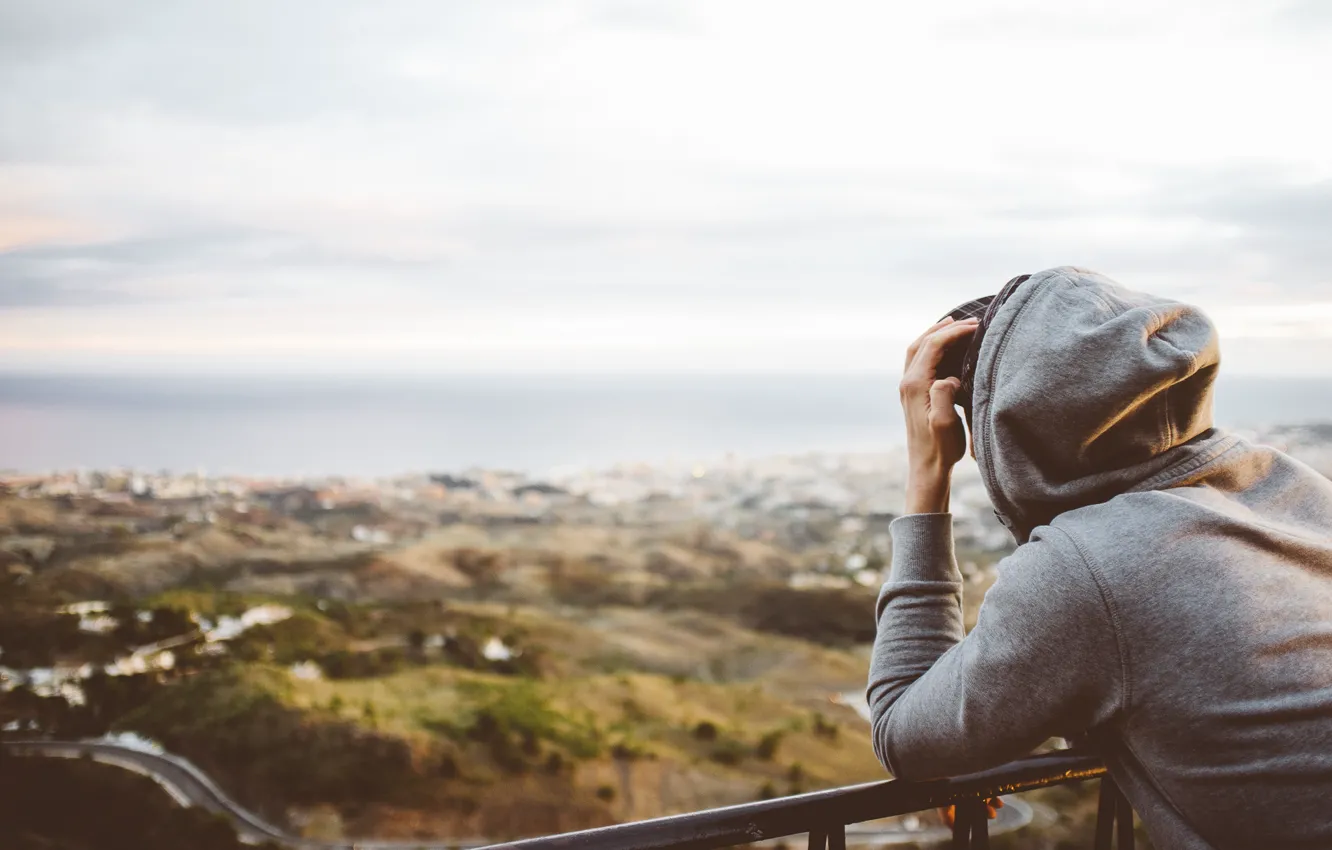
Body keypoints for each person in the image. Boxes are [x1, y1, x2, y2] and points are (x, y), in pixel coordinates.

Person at [867, 266, 1332, 849]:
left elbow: (901, 731)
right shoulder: (1292, 487)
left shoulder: (1085, 567)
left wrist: (926, 477)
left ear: (1000, 424)